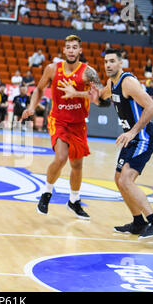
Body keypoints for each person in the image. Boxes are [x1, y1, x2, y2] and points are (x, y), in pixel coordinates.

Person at [88, 48, 153, 240]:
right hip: (131, 139)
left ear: (120, 63)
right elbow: (103, 99)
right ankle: (138, 222)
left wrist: (132, 132)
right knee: (119, 180)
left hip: (142, 137)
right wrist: (92, 98)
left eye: (112, 61)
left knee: (126, 180)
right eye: (106, 61)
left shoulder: (128, 82)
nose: (108, 64)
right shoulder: (111, 82)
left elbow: (151, 108)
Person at [22, 34, 103, 219]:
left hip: (78, 123)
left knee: (77, 164)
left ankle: (74, 201)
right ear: (64, 50)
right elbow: (39, 89)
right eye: (69, 47)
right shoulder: (52, 69)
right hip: (58, 120)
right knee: (61, 157)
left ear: (80, 50)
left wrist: (79, 93)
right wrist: (32, 107)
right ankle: (47, 193)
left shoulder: (89, 72)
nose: (72, 50)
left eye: (75, 47)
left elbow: (100, 99)